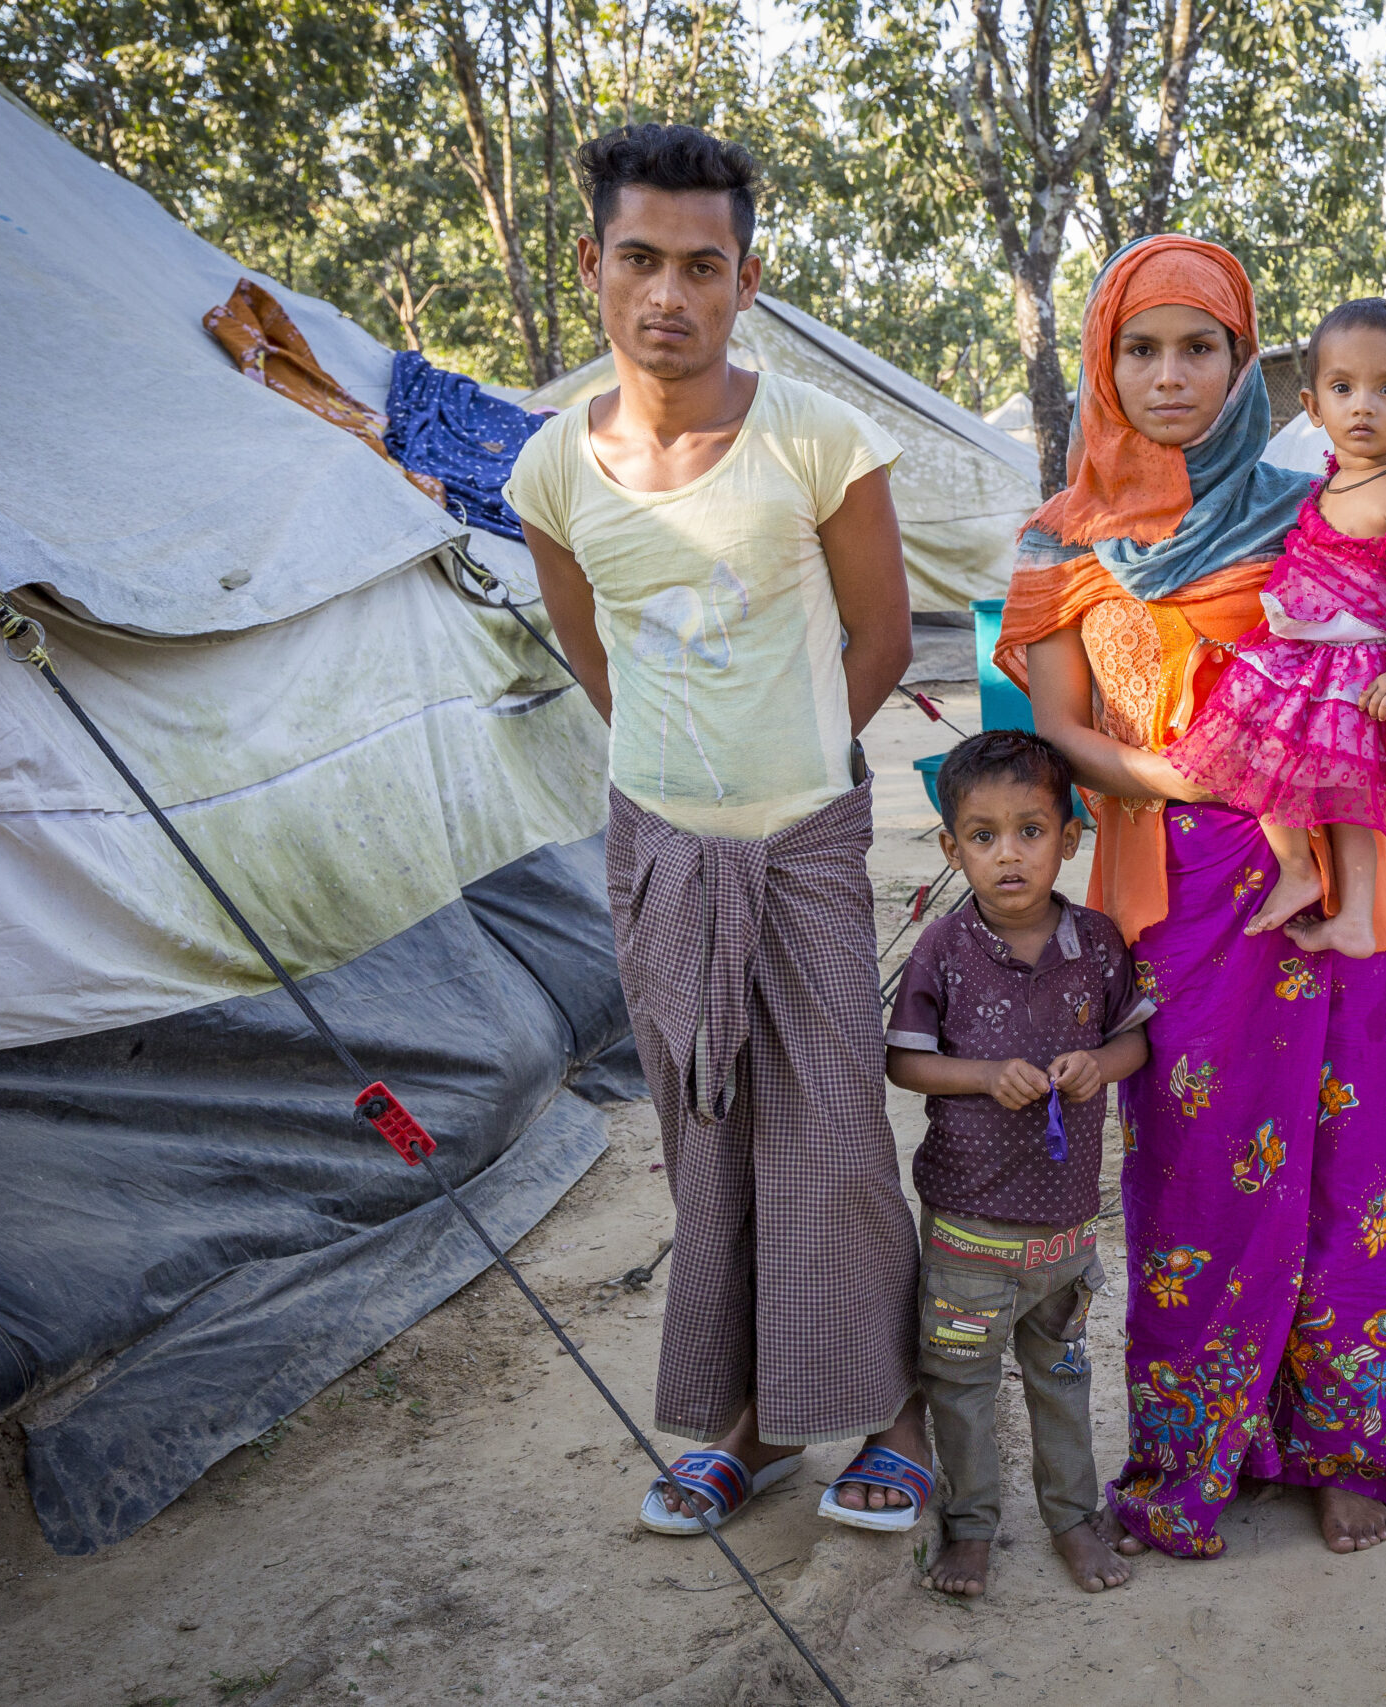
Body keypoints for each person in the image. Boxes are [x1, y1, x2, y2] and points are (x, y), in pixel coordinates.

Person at [505, 123, 934, 1537]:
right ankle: (747, 1424)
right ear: (593, 265)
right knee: (707, 1137)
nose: (668, 295)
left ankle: (894, 1410)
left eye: (703, 264)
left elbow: (879, 634)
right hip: (659, 848)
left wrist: (794, 767)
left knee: (834, 1129)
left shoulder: (815, 437)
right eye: (640, 259)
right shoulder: (552, 475)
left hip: (806, 839)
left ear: (748, 278)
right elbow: (599, 657)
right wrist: (684, 785)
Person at [992, 236, 1386, 1561]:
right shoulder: (1059, 538)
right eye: (1142, 348)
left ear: (1246, 365)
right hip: (1178, 884)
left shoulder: (1316, 510)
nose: (1169, 374)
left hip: (1335, 881)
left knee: (1350, 1171)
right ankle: (1195, 1452)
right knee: (1195, 1181)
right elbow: (1058, 726)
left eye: (1201, 347)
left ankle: (1346, 1444)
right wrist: (1179, 769)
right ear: (1102, 362)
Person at [883, 730, 1154, 1597]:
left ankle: (1073, 1519)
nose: (1009, 854)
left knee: (1063, 1380)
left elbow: (1136, 1042)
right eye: (984, 835)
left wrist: (1097, 1065)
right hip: (968, 1234)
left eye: (1031, 831)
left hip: (1066, 1241)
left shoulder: (1100, 945)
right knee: (958, 1386)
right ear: (951, 846)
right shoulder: (944, 950)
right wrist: (985, 1076)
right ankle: (969, 1529)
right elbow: (905, 1061)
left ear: (1070, 838)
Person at [1167, 298, 1386, 957]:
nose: (1363, 405)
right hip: (1300, 662)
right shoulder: (1323, 482)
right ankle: (1301, 872)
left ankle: (1356, 914)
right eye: (1343, 388)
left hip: (1359, 673)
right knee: (1269, 769)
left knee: (1352, 804)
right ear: (1312, 405)